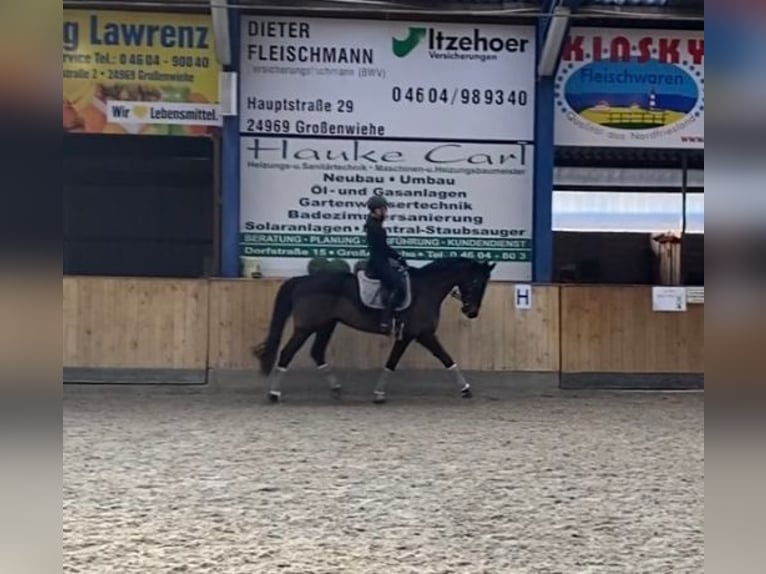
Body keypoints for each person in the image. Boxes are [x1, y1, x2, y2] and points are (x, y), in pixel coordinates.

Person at [364, 195, 407, 333]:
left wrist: (398, 257)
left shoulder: (374, 224)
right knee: (399, 287)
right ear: (376, 210)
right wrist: (398, 257)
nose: (385, 212)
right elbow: (383, 248)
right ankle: (385, 319)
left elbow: (384, 248)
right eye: (383, 209)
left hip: (380, 260)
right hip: (379, 263)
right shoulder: (374, 227)